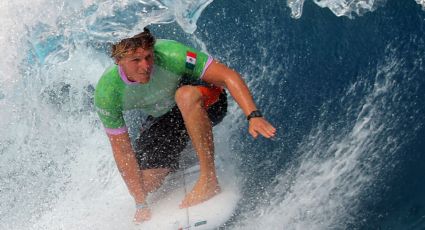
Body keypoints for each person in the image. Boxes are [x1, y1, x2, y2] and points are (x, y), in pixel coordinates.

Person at [94, 27, 276, 223]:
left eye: (148, 56)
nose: (145, 65)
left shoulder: (172, 53)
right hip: (166, 117)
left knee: (185, 96)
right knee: (145, 185)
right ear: (118, 60)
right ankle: (180, 155)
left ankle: (209, 180)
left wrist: (254, 115)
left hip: (205, 100)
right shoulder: (108, 92)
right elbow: (122, 150)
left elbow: (227, 76)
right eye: (136, 60)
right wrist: (140, 203)